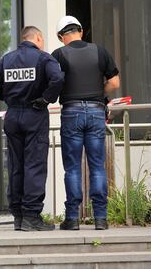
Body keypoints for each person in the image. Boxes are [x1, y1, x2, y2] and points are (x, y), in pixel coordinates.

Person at [0, 26, 64, 231]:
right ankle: (31, 216)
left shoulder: (6, 60)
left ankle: (18, 217)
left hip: (13, 115)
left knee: (16, 165)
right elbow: (58, 78)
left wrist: (12, 97)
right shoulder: (43, 58)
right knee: (34, 164)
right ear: (38, 37)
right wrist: (45, 99)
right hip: (34, 114)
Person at [52, 16, 120, 230]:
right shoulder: (100, 51)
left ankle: (72, 219)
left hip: (71, 112)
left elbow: (54, 83)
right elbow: (114, 82)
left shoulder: (58, 55)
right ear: (80, 31)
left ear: (61, 36)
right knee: (97, 166)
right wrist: (100, 95)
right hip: (96, 112)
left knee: (72, 168)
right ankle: (101, 218)